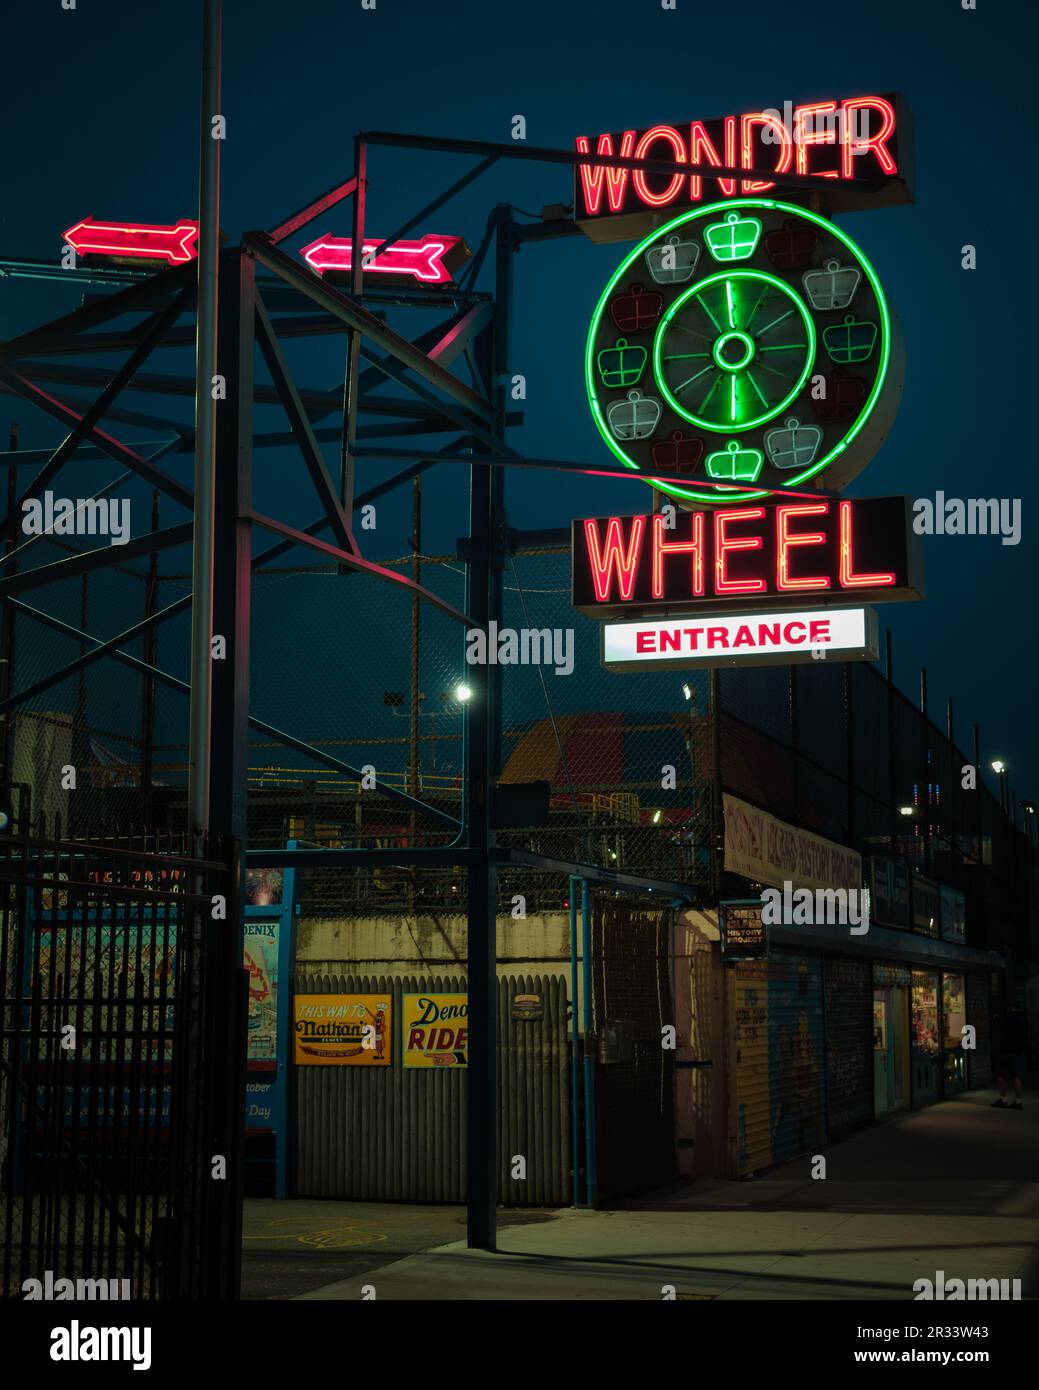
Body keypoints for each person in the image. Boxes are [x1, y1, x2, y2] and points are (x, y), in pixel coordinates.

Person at [991, 1009, 1027, 1109]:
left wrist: (996, 1020)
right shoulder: (1021, 1020)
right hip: (1014, 1052)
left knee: (1001, 1075)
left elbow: (1000, 1029)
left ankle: (1003, 1100)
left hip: (1004, 1051)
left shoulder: (1008, 1020)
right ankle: (1018, 1101)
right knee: (1015, 1075)